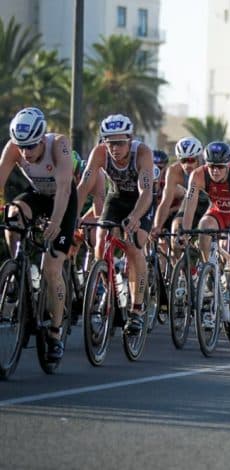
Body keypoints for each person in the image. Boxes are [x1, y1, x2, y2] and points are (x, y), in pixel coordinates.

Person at [0, 107, 77, 361]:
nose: (25, 153)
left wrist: (55, 221)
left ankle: (55, 333)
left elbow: (65, 187)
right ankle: (17, 268)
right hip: (37, 196)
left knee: (52, 269)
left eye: (31, 147)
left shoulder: (59, 145)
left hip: (63, 201)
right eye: (21, 147)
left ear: (42, 139)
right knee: (13, 215)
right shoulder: (14, 147)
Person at [77, 114, 154, 336]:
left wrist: (136, 216)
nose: (114, 148)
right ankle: (108, 291)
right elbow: (84, 185)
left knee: (134, 247)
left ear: (130, 140)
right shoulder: (99, 153)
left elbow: (146, 190)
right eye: (109, 142)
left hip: (140, 201)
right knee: (100, 241)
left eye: (120, 142)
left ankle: (137, 309)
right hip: (117, 197)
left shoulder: (142, 153)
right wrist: (72, 214)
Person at [180, 141, 230, 340]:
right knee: (204, 227)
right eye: (212, 166)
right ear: (206, 163)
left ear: (228, 165)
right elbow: (191, 204)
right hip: (217, 213)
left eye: (220, 167)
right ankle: (208, 270)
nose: (216, 171)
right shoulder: (198, 175)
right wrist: (185, 230)